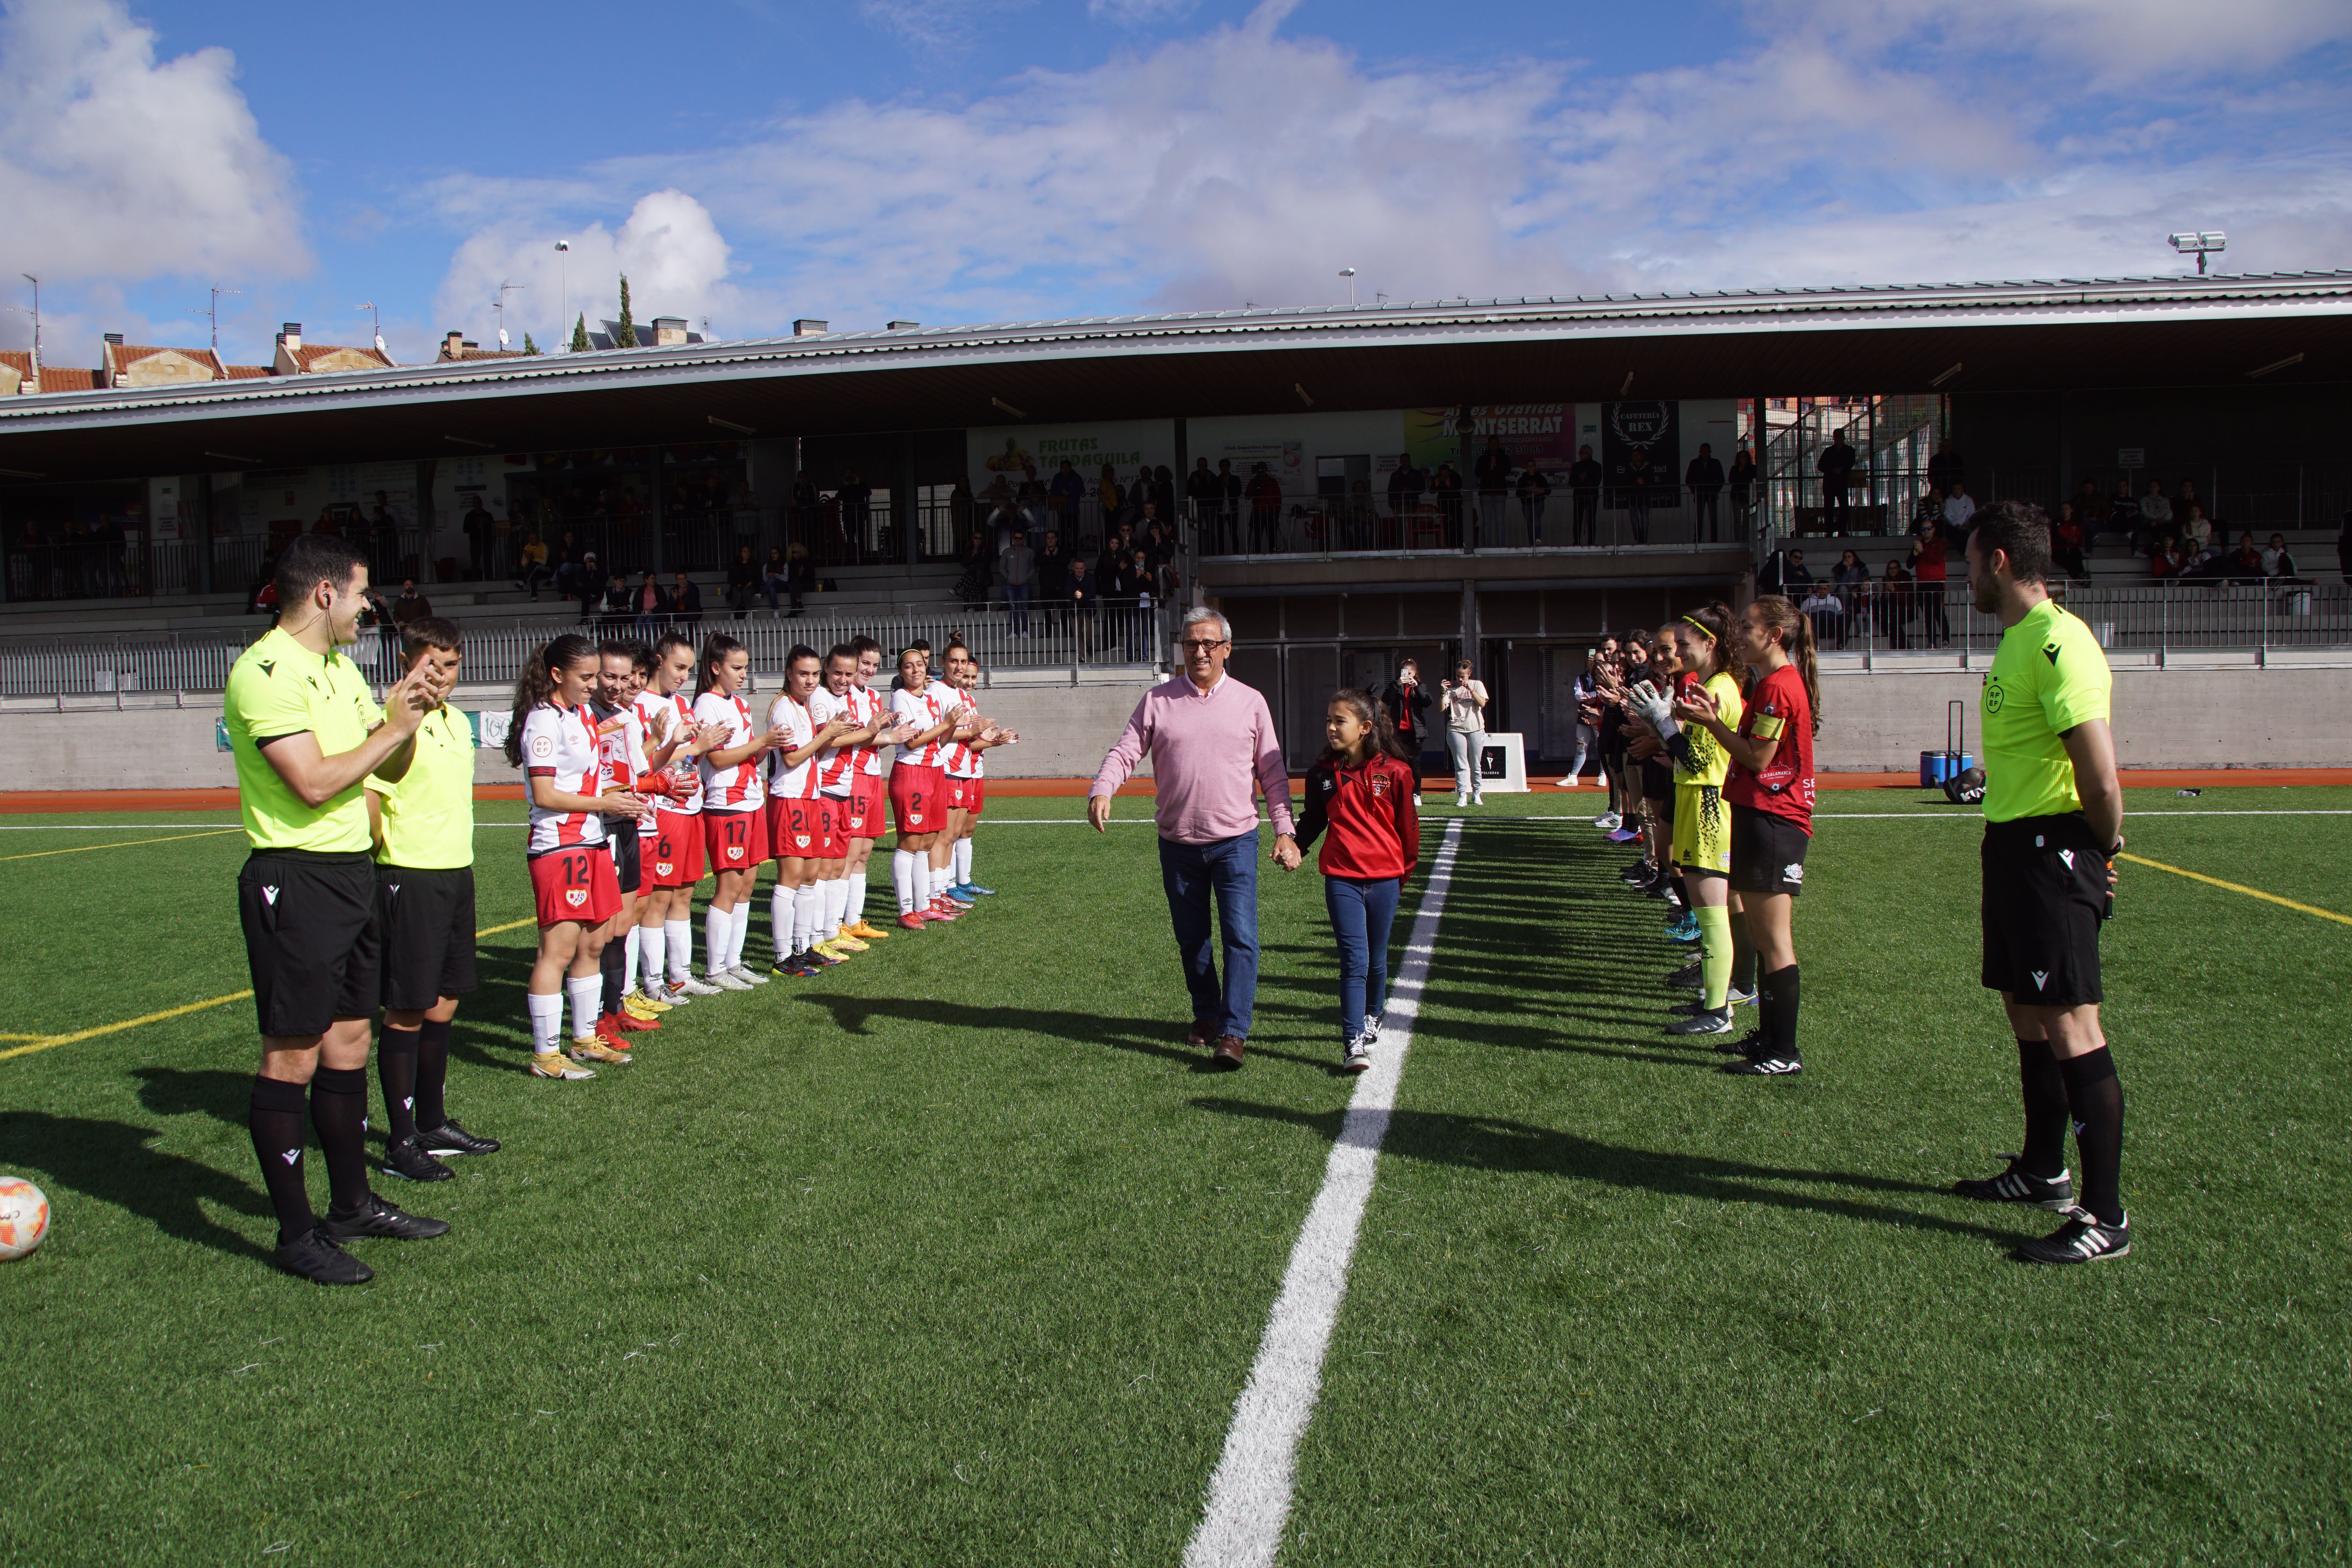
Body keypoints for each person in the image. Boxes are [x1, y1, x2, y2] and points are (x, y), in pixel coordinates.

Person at [223, 533, 449, 1285]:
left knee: (350, 1039)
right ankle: (295, 1235)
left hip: (354, 873)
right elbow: (314, 783)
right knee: (293, 1052)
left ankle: (351, 1204)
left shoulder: (342, 669)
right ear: (324, 593)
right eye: (360, 594)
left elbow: (385, 761)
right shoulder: (264, 671)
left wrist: (407, 717)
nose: (368, 607)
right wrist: (389, 727)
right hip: (297, 878)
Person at [1951, 501, 2132, 1265]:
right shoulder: (2021, 641)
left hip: (2054, 848)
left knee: (2071, 1023)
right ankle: (2042, 1169)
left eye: (1968, 561)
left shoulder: (2059, 641)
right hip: (2015, 846)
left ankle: (2106, 1215)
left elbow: (2098, 769)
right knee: (2027, 1011)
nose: (1963, 575)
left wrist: (2103, 846)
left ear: (1997, 560)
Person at [1088, 607, 1298, 1070]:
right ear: (1181, 649)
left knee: (1241, 937)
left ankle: (1233, 1031)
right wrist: (1103, 787)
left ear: (1227, 648)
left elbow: (1273, 772)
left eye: (1208, 644)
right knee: (1192, 939)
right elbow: (1127, 750)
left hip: (1236, 841)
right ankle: (1206, 1014)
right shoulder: (1158, 700)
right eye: (1190, 644)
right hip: (1178, 843)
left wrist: (1285, 829)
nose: (1199, 652)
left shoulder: (1251, 701)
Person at [363, 615, 498, 1182]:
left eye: (451, 664)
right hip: (408, 875)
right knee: (408, 1007)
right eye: (431, 664)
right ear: (406, 663)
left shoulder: (452, 721)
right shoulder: (393, 722)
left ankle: (433, 1121)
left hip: (454, 872)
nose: (442, 675)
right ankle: (400, 1141)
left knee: (445, 1001)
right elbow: (371, 799)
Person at [1677, 596, 1818, 1075]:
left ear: (1775, 635)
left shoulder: (1780, 685)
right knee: (1761, 934)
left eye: (1749, 626)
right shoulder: (1771, 684)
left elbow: (1759, 759)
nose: (1740, 634)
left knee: (1775, 939)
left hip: (1775, 817)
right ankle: (1771, 1038)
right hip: (1762, 814)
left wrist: (1712, 723)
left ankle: (1784, 1050)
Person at [508, 633, 639, 1078]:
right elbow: (545, 793)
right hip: (559, 844)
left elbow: (592, 777)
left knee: (594, 941)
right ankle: (545, 1055)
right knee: (557, 951)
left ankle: (584, 1039)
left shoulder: (581, 713)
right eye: (585, 676)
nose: (594, 684)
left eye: (595, 674)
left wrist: (626, 797)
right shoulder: (543, 721)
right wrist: (607, 804)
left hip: (592, 839)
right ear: (557, 675)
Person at [1628, 604, 1744, 1035]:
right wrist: (1663, 729)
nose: (1677, 651)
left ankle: (1719, 1009)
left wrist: (1663, 723)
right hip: (1701, 801)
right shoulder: (1715, 684)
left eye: (1684, 644)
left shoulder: (1719, 689)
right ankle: (1714, 1001)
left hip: (1711, 806)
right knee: (1708, 910)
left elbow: (1697, 759)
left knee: (1712, 914)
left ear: (1709, 644)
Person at [1294, 689, 1421, 1074]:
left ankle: (1372, 1014)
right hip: (1342, 879)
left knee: (1377, 958)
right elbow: (1315, 819)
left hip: (1385, 878)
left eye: (1340, 721)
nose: (1331, 728)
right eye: (1329, 720)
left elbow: (1408, 831)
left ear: (1365, 728)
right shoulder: (1322, 774)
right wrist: (1295, 846)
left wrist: (1402, 873)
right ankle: (1352, 1041)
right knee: (1354, 960)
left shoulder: (1397, 772)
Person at [632, 630, 722, 1005]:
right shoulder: (640, 704)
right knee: (659, 897)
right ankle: (653, 981)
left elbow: (689, 756)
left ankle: (680, 975)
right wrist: (696, 746)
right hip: (663, 810)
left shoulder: (683, 704)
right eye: (678, 667)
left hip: (690, 808)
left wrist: (701, 746)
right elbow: (639, 762)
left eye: (688, 668)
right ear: (658, 661)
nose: (684, 675)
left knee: (685, 892)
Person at [694, 634, 785, 988]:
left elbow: (746, 755)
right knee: (729, 886)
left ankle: (733, 962)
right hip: (725, 803)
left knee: (747, 885)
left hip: (749, 800)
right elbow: (716, 759)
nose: (744, 674)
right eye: (737, 668)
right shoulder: (707, 704)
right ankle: (715, 968)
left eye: (746, 667)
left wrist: (769, 744)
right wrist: (761, 742)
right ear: (716, 668)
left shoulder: (740, 704)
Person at [762, 644, 858, 976]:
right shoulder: (784, 709)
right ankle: (782, 955)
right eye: (803, 673)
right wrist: (827, 735)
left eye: (815, 674)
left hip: (809, 799)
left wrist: (828, 734)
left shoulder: (801, 707)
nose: (810, 680)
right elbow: (791, 758)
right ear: (789, 673)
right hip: (789, 800)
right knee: (790, 879)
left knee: (810, 875)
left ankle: (803, 947)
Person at [886, 644, 966, 927]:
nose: (916, 670)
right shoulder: (900, 697)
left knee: (928, 842)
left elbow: (938, 742)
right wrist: (945, 723)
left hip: (934, 772)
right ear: (901, 672)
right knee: (910, 843)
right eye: (909, 666)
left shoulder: (931, 700)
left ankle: (925, 904)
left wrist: (950, 728)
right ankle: (906, 910)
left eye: (919, 665)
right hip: (911, 773)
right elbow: (911, 741)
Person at [1441, 659, 1489, 806]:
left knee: (1476, 764)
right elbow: (1442, 708)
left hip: (1476, 729)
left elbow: (1482, 703)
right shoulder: (1451, 691)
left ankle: (1477, 793)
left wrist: (1471, 690)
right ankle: (1462, 794)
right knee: (1461, 765)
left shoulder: (1477, 685)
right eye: (1458, 676)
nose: (1460, 679)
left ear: (1469, 674)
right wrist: (1443, 692)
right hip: (1456, 729)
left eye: (1463, 676)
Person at [1379, 657, 1431, 774]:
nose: (1407, 676)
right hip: (1399, 730)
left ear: (1415, 673)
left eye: (1410, 673)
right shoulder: (1395, 685)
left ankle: (1416, 791)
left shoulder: (1421, 687)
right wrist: (1397, 685)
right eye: (1404, 672)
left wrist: (1416, 687)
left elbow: (1427, 702)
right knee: (1400, 760)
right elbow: (1386, 700)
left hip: (1416, 731)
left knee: (1415, 762)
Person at [1912, 528, 1951, 646]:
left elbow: (1937, 560)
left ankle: (1946, 641)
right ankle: (1931, 642)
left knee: (1939, 612)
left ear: (1934, 530)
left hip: (1937, 582)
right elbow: (1909, 564)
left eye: (1929, 528)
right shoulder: (1919, 544)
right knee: (1928, 615)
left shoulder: (1939, 543)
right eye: (1923, 529)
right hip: (1922, 584)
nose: (1926, 531)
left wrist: (1923, 551)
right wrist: (1915, 554)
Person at [1474, 434, 1512, 548]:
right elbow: (1478, 473)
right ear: (1488, 445)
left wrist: (1497, 466)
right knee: (1487, 522)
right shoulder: (1483, 459)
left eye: (1495, 443)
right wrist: (1489, 468)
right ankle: (1487, 547)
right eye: (1491, 443)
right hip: (1486, 493)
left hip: (1500, 493)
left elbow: (1507, 472)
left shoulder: (1504, 458)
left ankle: (1501, 546)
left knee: (1500, 522)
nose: (1494, 445)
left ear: (1499, 445)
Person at [1686, 443, 1726, 542]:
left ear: (1710, 452)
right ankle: (1698, 540)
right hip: (1700, 494)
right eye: (1703, 451)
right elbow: (1689, 479)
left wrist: (1715, 490)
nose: (1705, 453)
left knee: (1713, 519)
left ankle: (1713, 540)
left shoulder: (1715, 463)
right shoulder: (1695, 463)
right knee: (1699, 519)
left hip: (1710, 494)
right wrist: (1694, 490)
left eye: (1706, 451)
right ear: (1700, 452)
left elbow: (1721, 479)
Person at [1000, 526, 1037, 635]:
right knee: (1013, 609)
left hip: (1024, 584)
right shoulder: (1007, 552)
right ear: (1013, 539)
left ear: (1024, 539)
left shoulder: (1029, 552)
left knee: (1025, 609)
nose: (1018, 540)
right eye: (1016, 538)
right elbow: (1001, 567)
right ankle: (1014, 632)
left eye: (1020, 539)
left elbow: (1034, 567)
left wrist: (1027, 577)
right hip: (1011, 585)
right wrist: (1008, 577)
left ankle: (1025, 631)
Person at [1817, 429, 1856, 528]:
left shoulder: (1847, 451)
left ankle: (1841, 530)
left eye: (1839, 436)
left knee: (1843, 507)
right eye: (1836, 437)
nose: (1837, 439)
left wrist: (1838, 470)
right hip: (1832, 483)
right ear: (1834, 438)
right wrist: (1837, 470)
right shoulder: (1831, 451)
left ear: (1844, 437)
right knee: (1830, 507)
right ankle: (1831, 530)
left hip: (1839, 483)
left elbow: (1851, 463)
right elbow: (1820, 466)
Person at [1568, 444, 1603, 547]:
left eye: (1581, 453)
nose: (1580, 454)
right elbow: (1572, 482)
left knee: (1592, 521)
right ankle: (1577, 542)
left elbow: (1597, 482)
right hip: (1579, 497)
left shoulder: (1597, 466)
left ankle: (1591, 543)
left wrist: (1585, 480)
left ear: (1588, 454)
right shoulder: (1577, 466)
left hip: (1592, 496)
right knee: (1577, 521)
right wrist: (1582, 480)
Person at [1516, 461, 1551, 545]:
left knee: (1536, 520)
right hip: (1526, 504)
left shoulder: (1540, 478)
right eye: (1529, 466)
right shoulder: (1522, 479)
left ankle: (1538, 539)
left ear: (1535, 467)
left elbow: (1548, 490)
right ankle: (1532, 543)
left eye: (1532, 466)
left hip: (1538, 502)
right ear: (1526, 467)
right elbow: (1518, 493)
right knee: (1529, 524)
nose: (1530, 467)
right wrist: (1527, 491)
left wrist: (1540, 491)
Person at [1727, 443, 1757, 536]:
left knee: (1746, 518)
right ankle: (1737, 537)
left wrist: (1745, 488)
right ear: (1738, 459)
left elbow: (1752, 479)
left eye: (1745, 457)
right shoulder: (1734, 468)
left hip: (1747, 495)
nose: (1743, 459)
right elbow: (1731, 480)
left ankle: (1745, 536)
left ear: (1748, 458)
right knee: (1737, 518)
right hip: (1736, 496)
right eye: (1741, 457)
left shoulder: (1752, 468)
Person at [514, 530, 552, 599]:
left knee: (535, 565)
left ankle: (523, 582)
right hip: (535, 570)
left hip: (546, 569)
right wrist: (526, 556)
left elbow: (544, 562)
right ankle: (534, 597)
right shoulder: (527, 547)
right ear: (529, 539)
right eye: (533, 539)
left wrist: (533, 558)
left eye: (536, 538)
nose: (535, 541)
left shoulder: (543, 546)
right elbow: (524, 564)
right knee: (533, 574)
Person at [726, 546, 759, 620]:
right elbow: (730, 579)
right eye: (745, 551)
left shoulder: (755, 564)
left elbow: (758, 578)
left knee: (746, 592)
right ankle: (733, 614)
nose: (747, 553)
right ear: (741, 553)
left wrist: (751, 583)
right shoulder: (735, 564)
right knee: (737, 592)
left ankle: (749, 613)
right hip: (738, 586)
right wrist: (737, 584)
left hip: (751, 586)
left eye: (748, 551)